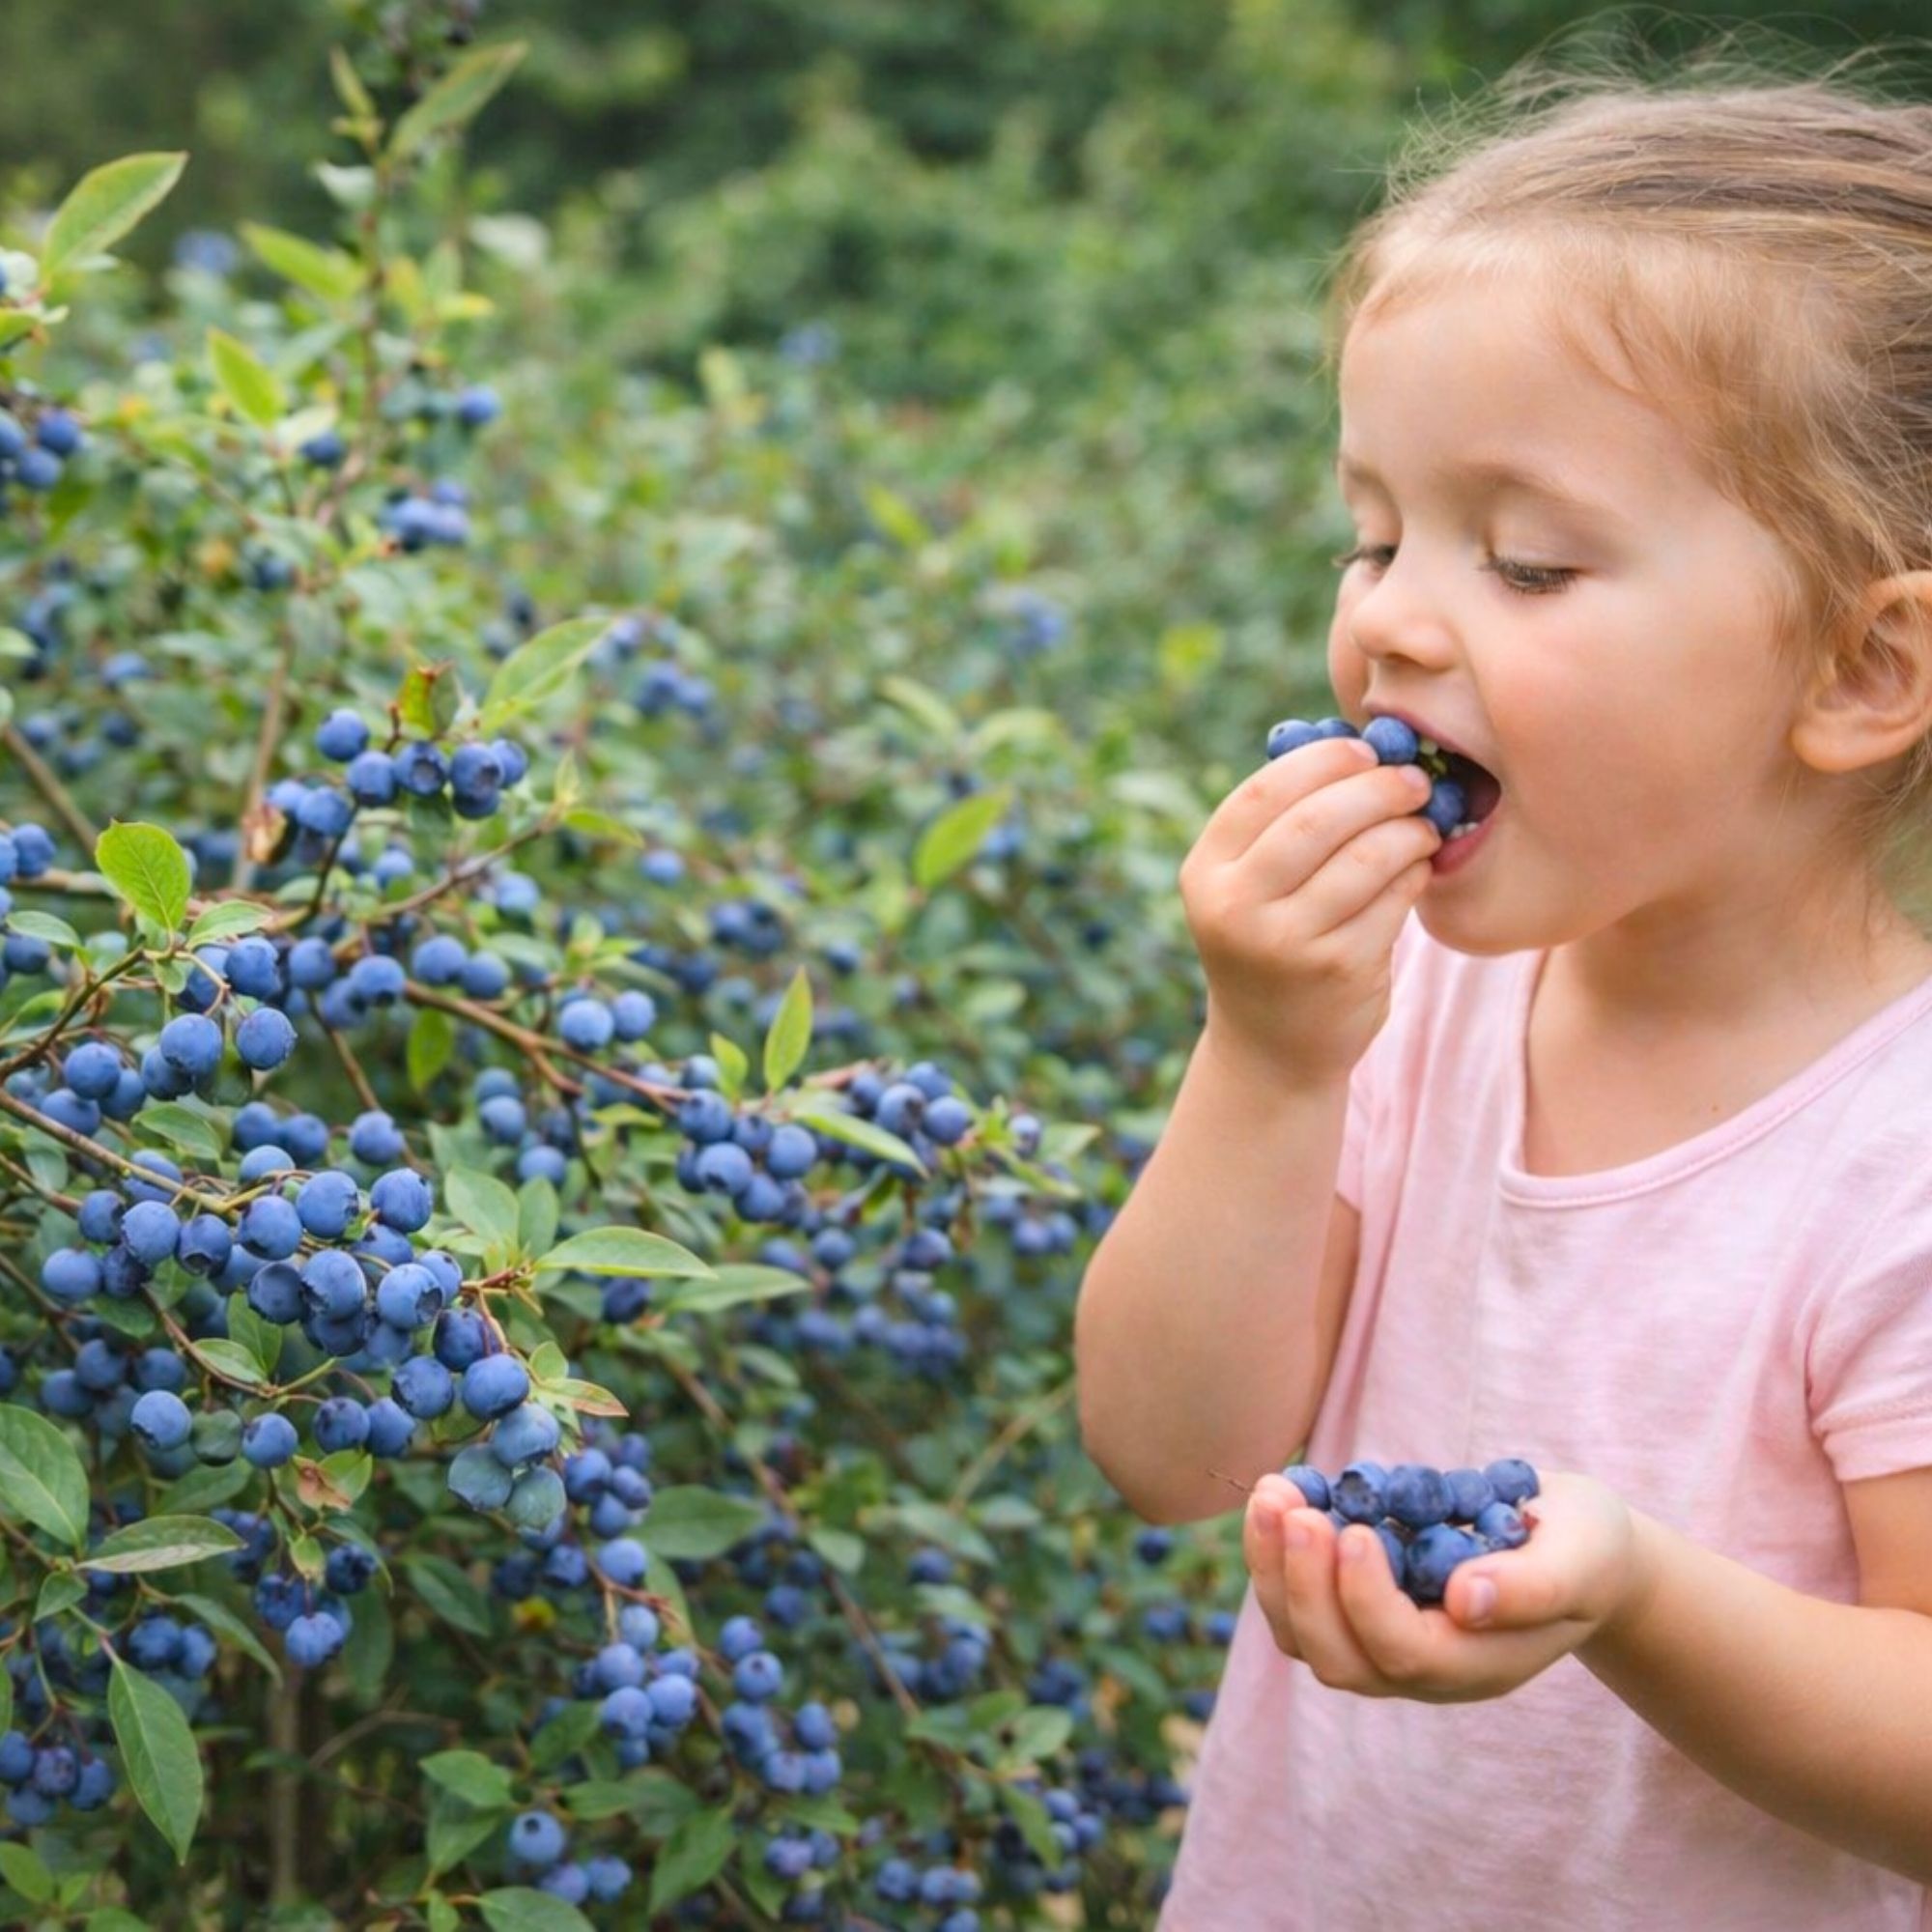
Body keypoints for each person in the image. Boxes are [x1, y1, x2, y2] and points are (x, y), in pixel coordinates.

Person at [1073, 42, 1932, 1932]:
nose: (1385, 615)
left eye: (1527, 560)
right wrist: (1268, 1055)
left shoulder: (1898, 1166)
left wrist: (1631, 1597)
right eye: (1375, 531)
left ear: (1860, 670)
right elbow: (1165, 1443)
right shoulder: (1426, 1008)